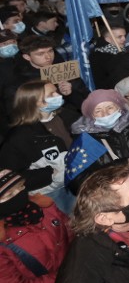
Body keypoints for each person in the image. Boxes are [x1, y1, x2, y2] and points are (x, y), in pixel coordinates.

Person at [0, 80, 79, 213]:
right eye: (51, 94)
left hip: (75, 180)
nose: (58, 95)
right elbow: (11, 175)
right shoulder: (20, 137)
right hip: (50, 192)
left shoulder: (66, 116)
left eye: (56, 91)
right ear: (35, 101)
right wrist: (50, 173)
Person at [0, 169, 73, 283]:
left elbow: (71, 234)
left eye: (20, 187)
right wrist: (67, 277)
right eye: (9, 194)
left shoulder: (43, 207)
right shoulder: (3, 241)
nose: (19, 194)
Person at [89, 22, 127, 89]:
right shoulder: (98, 56)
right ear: (108, 39)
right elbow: (102, 81)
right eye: (119, 37)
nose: (124, 39)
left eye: (124, 36)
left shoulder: (125, 50)